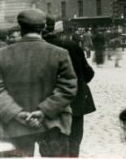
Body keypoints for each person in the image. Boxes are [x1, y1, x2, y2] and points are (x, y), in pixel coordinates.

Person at [0, 9, 77, 157]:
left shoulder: (2, 55)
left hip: (15, 126)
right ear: (43, 28)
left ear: (21, 28)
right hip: (53, 123)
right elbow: (68, 87)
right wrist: (44, 110)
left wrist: (17, 113)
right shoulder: (59, 53)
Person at [43, 17, 96, 157]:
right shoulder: (71, 46)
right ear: (54, 27)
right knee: (74, 140)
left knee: (50, 144)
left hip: (46, 105)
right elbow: (88, 74)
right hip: (74, 101)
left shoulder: (38, 48)